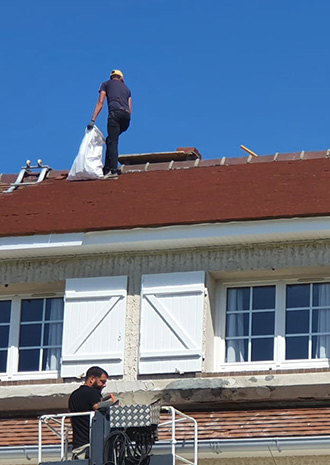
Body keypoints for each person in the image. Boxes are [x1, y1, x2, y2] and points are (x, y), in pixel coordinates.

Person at [87, 69, 132, 179]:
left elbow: (100, 103)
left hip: (115, 114)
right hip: (126, 117)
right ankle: (107, 168)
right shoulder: (127, 89)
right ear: (121, 78)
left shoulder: (105, 84)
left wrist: (92, 120)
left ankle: (113, 170)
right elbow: (130, 109)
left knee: (113, 141)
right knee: (111, 139)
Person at [68, 366, 108, 458]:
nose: (104, 385)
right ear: (92, 379)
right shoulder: (93, 392)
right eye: (102, 381)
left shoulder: (73, 395)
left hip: (78, 447)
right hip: (91, 446)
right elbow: (97, 407)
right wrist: (109, 404)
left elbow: (71, 417)